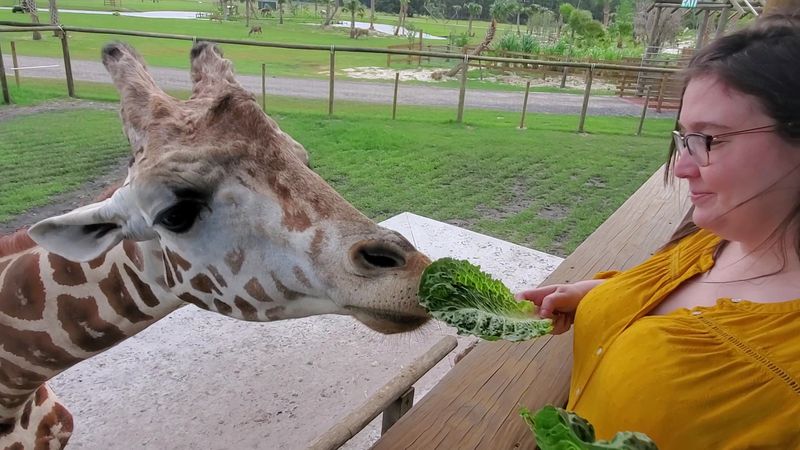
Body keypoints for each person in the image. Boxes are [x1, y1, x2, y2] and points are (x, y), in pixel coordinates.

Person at [517, 9, 800, 449]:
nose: (683, 166)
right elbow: (674, 295)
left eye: (712, 139)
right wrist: (592, 295)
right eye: (684, 137)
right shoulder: (718, 236)